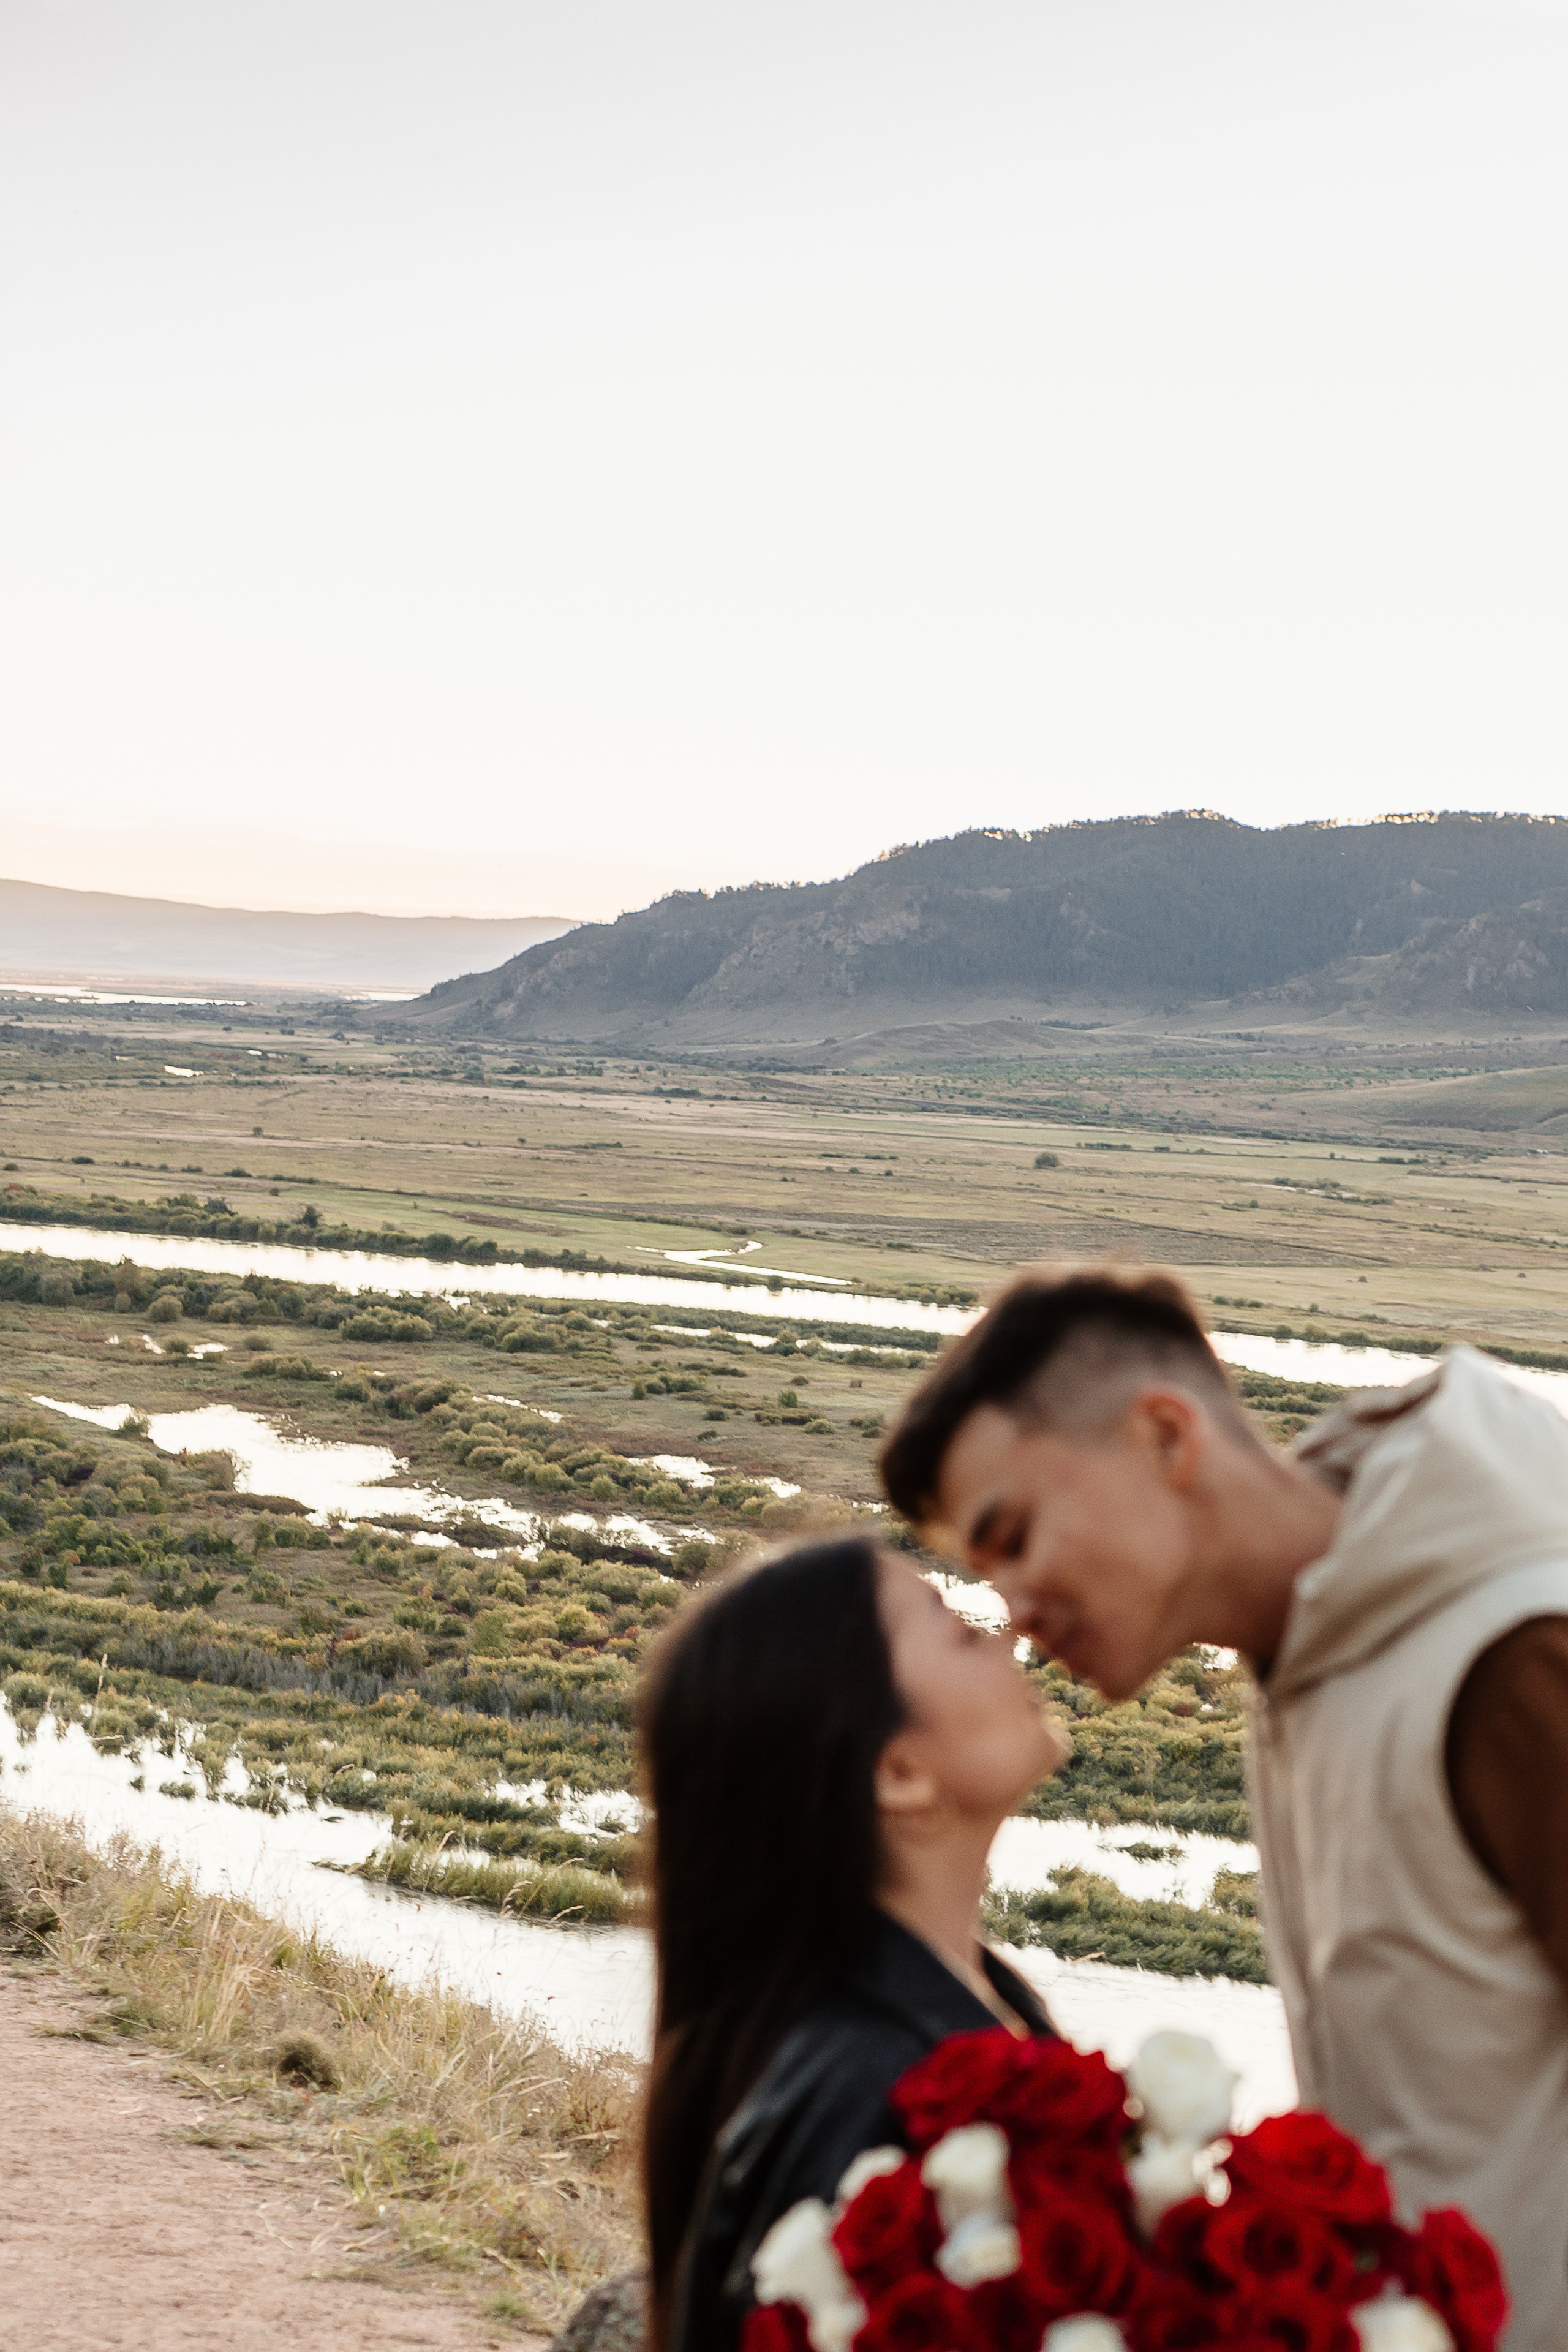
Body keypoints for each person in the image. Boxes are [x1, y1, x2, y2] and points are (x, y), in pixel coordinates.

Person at [879, 1262, 1568, 2352]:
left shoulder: (1511, 1651)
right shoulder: (1319, 1640)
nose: (1009, 1613)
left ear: (1166, 1436)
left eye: (1013, 1536)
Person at [640, 1532, 1066, 2352]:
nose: (1013, 1629)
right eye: (963, 1631)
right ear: (898, 1773)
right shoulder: (868, 2090)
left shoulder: (972, 2006)